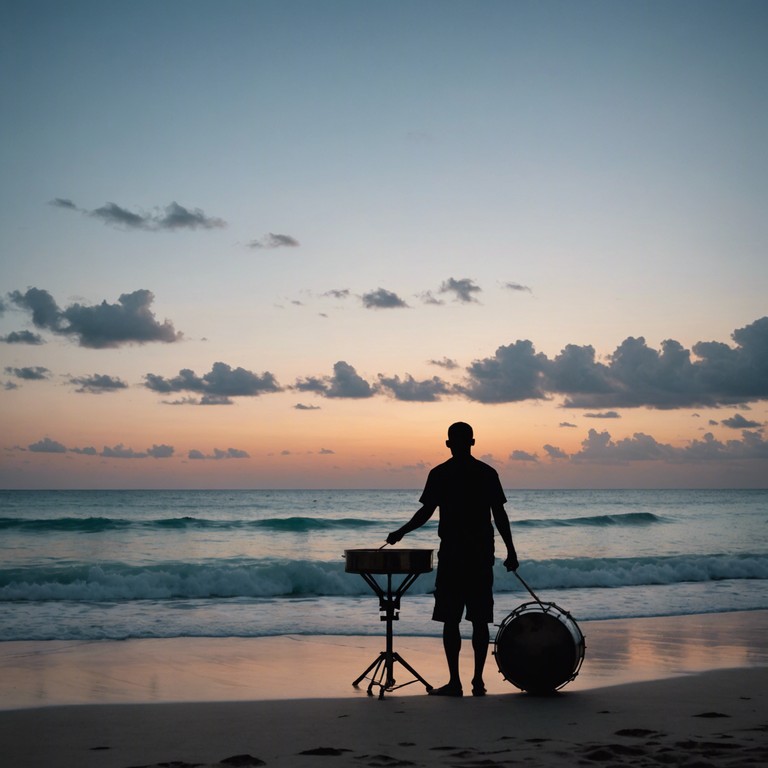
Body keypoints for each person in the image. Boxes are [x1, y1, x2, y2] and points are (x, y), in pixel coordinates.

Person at [387, 421, 519, 697]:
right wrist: (510, 550)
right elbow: (500, 516)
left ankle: (456, 682)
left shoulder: (441, 474)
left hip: (454, 555)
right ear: (472, 442)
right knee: (479, 619)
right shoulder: (486, 473)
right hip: (480, 554)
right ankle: (477, 682)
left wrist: (401, 532)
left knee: (451, 619)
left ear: (449, 443)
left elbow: (425, 513)